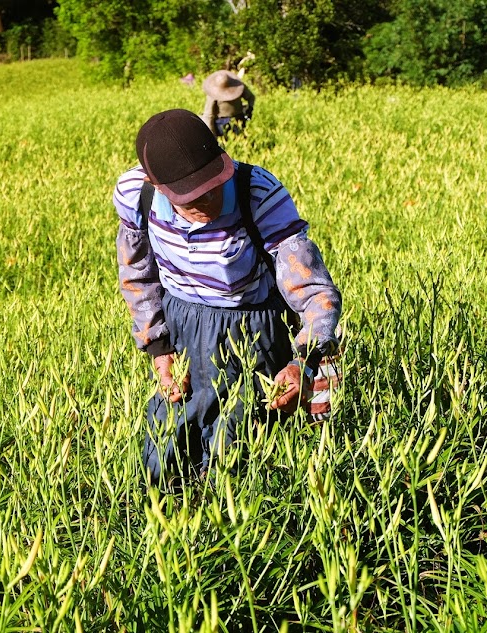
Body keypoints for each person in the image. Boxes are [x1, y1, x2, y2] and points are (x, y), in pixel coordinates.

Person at [112, 109, 341, 489]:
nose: (207, 201)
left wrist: (304, 360)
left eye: (213, 185)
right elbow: (137, 273)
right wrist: (159, 347)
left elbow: (313, 290)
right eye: (191, 198)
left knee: (237, 459)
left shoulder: (259, 193)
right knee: (163, 455)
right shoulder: (137, 195)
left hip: (252, 335)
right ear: (161, 188)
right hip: (182, 330)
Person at [201, 70, 255, 138]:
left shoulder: (238, 87)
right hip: (224, 122)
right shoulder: (213, 94)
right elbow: (208, 115)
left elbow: (251, 97)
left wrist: (249, 109)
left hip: (236, 119)